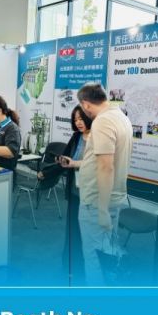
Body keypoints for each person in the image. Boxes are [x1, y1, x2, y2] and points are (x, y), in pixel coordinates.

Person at [75, 83, 133, 285]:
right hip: (113, 197)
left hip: (97, 201)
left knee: (93, 256)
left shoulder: (102, 121)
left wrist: (102, 210)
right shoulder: (121, 116)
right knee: (106, 251)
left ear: (85, 104)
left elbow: (106, 167)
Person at [37, 105, 92, 284]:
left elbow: (97, 166)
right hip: (75, 192)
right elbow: (65, 161)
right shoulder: (76, 137)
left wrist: (75, 163)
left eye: (81, 118)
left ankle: (86, 273)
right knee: (73, 232)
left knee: (87, 235)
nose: (78, 122)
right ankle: (69, 269)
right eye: (75, 119)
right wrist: (47, 172)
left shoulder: (99, 138)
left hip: (92, 194)